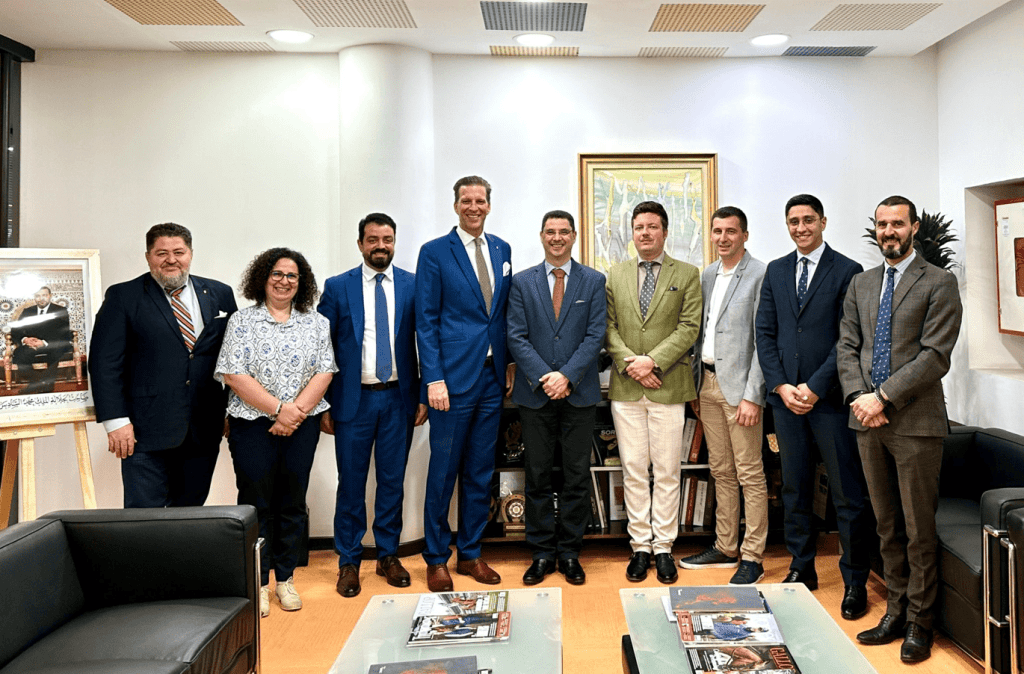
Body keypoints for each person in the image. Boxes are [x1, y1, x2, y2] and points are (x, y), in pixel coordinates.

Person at [837, 196, 963, 662]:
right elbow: (847, 346)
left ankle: (919, 623)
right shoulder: (862, 283)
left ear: (914, 228)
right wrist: (859, 396)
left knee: (917, 528)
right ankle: (894, 610)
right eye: (882, 224)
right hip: (866, 420)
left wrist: (883, 396)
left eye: (897, 223)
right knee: (886, 525)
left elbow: (935, 355)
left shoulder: (939, 281)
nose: (889, 231)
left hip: (915, 423)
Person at [754, 194, 874, 619]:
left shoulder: (848, 271)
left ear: (823, 222)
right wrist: (782, 385)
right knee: (794, 487)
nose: (801, 228)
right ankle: (802, 566)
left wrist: (815, 387)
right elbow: (765, 333)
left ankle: (855, 580)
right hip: (786, 401)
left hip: (830, 401)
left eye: (808, 220)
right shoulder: (776, 270)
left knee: (846, 493)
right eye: (794, 221)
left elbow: (848, 338)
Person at [215, 247, 335, 617]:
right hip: (252, 426)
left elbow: (325, 371)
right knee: (257, 503)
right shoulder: (241, 321)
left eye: (292, 276)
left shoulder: (317, 323)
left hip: (302, 425)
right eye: (277, 274)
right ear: (263, 278)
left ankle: (285, 578)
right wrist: (279, 410)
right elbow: (234, 374)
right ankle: (259, 582)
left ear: (302, 282)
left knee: (292, 502)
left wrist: (294, 414)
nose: (284, 281)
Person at [317, 213, 427, 599]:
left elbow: (426, 340)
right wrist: (323, 403)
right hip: (353, 400)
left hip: (399, 398)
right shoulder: (337, 287)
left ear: (395, 242)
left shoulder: (414, 285)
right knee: (351, 482)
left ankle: (387, 555)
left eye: (387, 239)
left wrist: (423, 396)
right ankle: (348, 561)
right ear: (360, 243)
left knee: (392, 482)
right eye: (373, 239)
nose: (381, 246)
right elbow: (322, 347)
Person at [90, 223, 237, 507]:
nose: (171, 260)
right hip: (144, 430)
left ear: (190, 253)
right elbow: (104, 363)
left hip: (204, 427)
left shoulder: (220, 293)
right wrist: (116, 421)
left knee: (190, 514)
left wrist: (231, 410)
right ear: (148, 256)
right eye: (161, 253)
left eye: (178, 252)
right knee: (145, 519)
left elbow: (233, 359)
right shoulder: (123, 296)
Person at [416, 175, 515, 592]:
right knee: (443, 473)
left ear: (489, 205)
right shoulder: (435, 251)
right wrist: (433, 378)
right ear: (456, 205)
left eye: (480, 200)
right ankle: (437, 558)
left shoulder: (502, 249)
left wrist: (509, 363)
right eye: (466, 200)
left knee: (479, 471)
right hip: (451, 380)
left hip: (492, 378)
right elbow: (426, 320)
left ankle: (471, 553)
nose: (474, 207)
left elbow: (503, 315)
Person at [507, 209, 606, 586]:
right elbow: (515, 335)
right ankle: (541, 552)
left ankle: (569, 552)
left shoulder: (594, 281)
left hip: (578, 393)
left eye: (564, 232)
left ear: (574, 236)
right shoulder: (522, 282)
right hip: (535, 394)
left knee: (576, 476)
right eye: (550, 232)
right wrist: (545, 377)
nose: (557, 238)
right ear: (541, 236)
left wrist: (566, 376)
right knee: (537, 475)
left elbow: (595, 335)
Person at [605, 200, 701, 583]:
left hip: (668, 385)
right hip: (627, 388)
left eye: (652, 227)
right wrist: (634, 364)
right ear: (632, 233)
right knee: (632, 469)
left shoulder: (687, 274)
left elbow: (689, 327)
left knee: (666, 471)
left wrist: (652, 362)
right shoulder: (615, 274)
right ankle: (640, 547)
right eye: (639, 227)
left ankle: (663, 547)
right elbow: (608, 327)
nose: (645, 233)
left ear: (665, 231)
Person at [681, 206, 768, 585]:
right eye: (717, 231)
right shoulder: (708, 274)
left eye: (731, 231)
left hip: (741, 390)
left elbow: (763, 341)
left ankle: (753, 556)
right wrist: (695, 387)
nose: (723, 238)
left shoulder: (760, 274)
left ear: (744, 235)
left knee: (750, 472)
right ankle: (725, 545)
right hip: (708, 384)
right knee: (721, 470)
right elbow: (700, 333)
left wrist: (754, 395)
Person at [9, 286, 73, 393]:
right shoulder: (28, 311)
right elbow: (15, 330)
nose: (41, 298)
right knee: (19, 354)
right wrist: (25, 340)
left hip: (52, 344)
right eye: (38, 296)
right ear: (34, 297)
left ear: (50, 296)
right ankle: (39, 383)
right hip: (31, 345)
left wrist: (43, 343)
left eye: (44, 295)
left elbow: (63, 332)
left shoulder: (60, 310)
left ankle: (40, 385)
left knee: (57, 352)